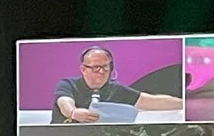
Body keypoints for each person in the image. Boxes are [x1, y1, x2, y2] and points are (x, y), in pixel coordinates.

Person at [51, 46, 182, 123]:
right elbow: (64, 103)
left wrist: (185, 104)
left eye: (105, 67)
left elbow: (149, 101)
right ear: (83, 69)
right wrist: (73, 112)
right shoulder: (68, 84)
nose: (102, 72)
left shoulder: (115, 89)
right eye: (96, 67)